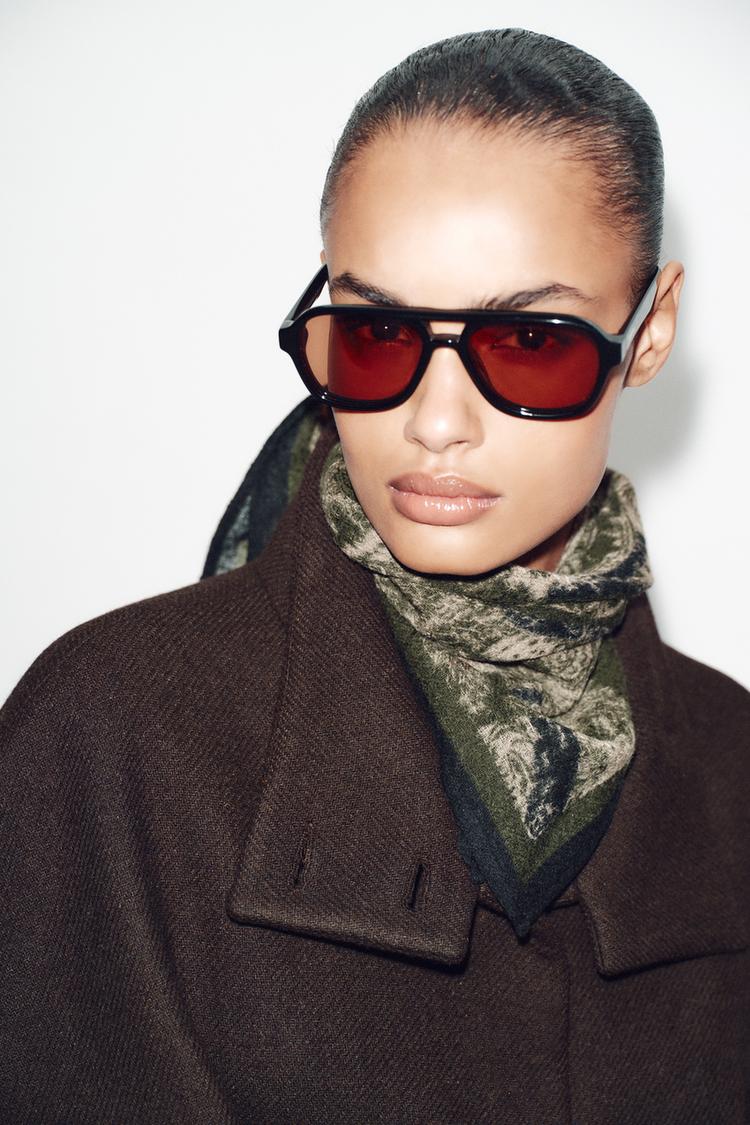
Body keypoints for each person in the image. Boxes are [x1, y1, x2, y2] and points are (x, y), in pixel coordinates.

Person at [1, 26, 748, 1125]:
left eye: (529, 341)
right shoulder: (106, 734)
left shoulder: (734, 762)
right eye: (377, 331)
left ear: (649, 332)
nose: (435, 422)